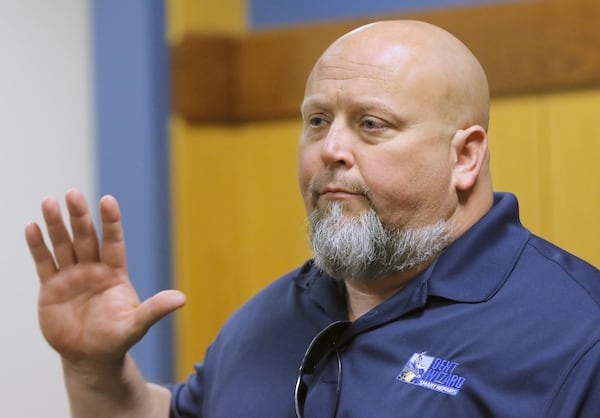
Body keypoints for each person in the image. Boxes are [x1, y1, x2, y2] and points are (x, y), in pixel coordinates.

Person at [25, 20, 600, 418]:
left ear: (465, 156)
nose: (331, 149)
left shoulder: (578, 336)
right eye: (318, 121)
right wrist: (95, 369)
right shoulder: (271, 316)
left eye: (372, 124)